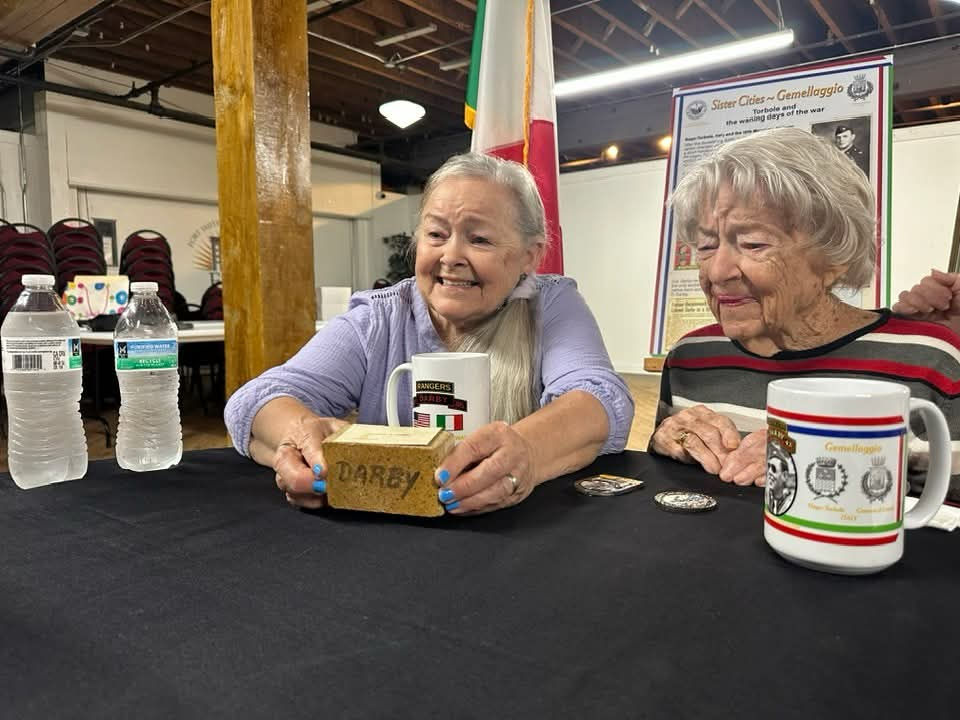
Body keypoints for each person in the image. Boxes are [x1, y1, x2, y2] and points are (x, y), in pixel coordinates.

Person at [224, 153, 634, 514]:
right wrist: (301, 439)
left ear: (530, 256)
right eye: (436, 234)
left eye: (479, 239)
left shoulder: (552, 305)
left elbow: (597, 399)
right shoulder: (379, 317)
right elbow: (257, 400)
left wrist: (525, 451)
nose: (451, 256)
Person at [649, 127, 960, 501]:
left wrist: (822, 459)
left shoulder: (931, 361)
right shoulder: (693, 355)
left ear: (834, 256)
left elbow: (947, 519)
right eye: (706, 245)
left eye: (752, 244)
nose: (717, 272)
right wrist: (668, 440)